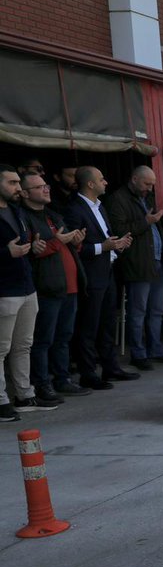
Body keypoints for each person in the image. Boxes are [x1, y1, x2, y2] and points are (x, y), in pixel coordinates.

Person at [63, 166, 137, 388]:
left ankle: (111, 367)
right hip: (91, 276)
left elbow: (105, 240)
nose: (106, 182)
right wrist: (102, 247)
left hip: (108, 271)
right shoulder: (74, 209)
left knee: (107, 323)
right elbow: (74, 248)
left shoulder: (100, 207)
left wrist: (116, 246)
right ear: (90, 184)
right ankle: (88, 373)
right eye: (101, 179)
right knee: (88, 326)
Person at [20, 172, 89, 402]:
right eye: (39, 187)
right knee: (42, 340)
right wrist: (57, 242)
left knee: (64, 336)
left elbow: (64, 245)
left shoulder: (53, 215)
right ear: (25, 193)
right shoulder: (24, 218)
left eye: (46, 184)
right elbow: (31, 251)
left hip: (69, 287)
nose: (46, 189)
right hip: (46, 288)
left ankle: (62, 379)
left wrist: (75, 243)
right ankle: (42, 384)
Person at [106, 166, 163, 369]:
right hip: (138, 263)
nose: (150, 187)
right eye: (147, 183)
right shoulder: (118, 199)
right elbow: (119, 231)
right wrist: (146, 221)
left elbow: (149, 228)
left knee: (156, 310)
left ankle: (155, 349)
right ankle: (138, 354)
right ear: (135, 179)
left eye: (152, 184)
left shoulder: (145, 197)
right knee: (138, 311)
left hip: (155, 260)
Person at [0, 165, 54, 420]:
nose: (18, 188)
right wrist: (5, 253)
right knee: (1, 348)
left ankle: (25, 395)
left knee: (24, 345)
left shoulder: (15, 210)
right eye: (11, 183)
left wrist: (32, 247)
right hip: (4, 290)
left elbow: (21, 244)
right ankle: (1, 401)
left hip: (26, 286)